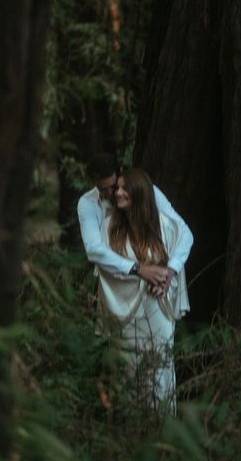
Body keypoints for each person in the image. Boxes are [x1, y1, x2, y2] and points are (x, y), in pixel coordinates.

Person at [97, 168, 190, 412]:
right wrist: (141, 272)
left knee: (159, 369)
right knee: (128, 370)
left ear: (138, 192)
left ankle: (161, 429)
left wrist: (167, 274)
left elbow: (184, 241)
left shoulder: (163, 225)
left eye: (124, 188)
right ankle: (130, 430)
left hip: (157, 308)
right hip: (126, 312)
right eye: (116, 188)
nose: (117, 193)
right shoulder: (109, 227)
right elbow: (106, 267)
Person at [77, 153, 193, 292]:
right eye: (102, 189)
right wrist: (138, 269)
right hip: (115, 284)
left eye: (112, 187)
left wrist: (171, 269)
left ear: (120, 171)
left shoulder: (147, 192)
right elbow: (94, 250)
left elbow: (183, 232)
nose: (110, 193)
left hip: (155, 272)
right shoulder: (88, 203)